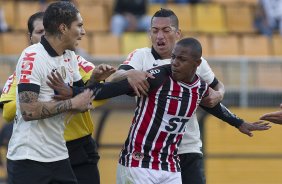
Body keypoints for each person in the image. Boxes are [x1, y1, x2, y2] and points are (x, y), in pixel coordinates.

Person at [47, 37, 270, 184]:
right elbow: (112, 89)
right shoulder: (156, 77)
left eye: (181, 60)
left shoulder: (200, 87)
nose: (174, 63)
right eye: (173, 57)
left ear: (197, 63)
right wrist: (74, 91)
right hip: (138, 161)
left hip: (169, 164)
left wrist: (240, 123)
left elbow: (214, 107)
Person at [109, 8, 271, 184]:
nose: (160, 36)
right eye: (155, 31)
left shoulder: (195, 61)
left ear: (177, 33)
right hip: (153, 151)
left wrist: (220, 96)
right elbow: (115, 78)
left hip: (188, 147)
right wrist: (128, 74)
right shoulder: (140, 56)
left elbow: (217, 87)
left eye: (166, 30)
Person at [1, 10, 113, 184]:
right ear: (63, 28)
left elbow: (79, 95)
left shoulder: (69, 57)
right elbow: (28, 111)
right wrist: (71, 103)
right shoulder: (32, 56)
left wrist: (94, 80)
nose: (83, 32)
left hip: (59, 156)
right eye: (79, 26)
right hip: (29, 158)